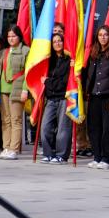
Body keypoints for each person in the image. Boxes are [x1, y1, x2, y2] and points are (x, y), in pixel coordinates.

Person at [81, 25, 109, 170]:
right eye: (100, 35)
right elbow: (87, 74)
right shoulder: (93, 53)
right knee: (94, 129)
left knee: (108, 129)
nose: (103, 37)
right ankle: (97, 157)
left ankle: (107, 159)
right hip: (94, 96)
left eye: (105, 35)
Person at [38, 32, 73, 164]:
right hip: (51, 98)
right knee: (45, 127)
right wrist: (48, 82)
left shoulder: (69, 60)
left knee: (63, 129)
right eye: (54, 42)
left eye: (59, 41)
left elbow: (64, 82)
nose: (57, 43)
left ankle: (61, 155)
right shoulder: (48, 60)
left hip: (64, 97)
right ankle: (48, 153)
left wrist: (47, 82)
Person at [0, 25, 29, 159]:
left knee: (16, 119)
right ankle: (6, 147)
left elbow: (28, 72)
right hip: (3, 89)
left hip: (18, 89)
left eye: (13, 36)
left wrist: (25, 89)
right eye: (9, 36)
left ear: (19, 37)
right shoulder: (3, 52)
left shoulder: (26, 51)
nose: (11, 38)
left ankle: (14, 149)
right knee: (5, 120)